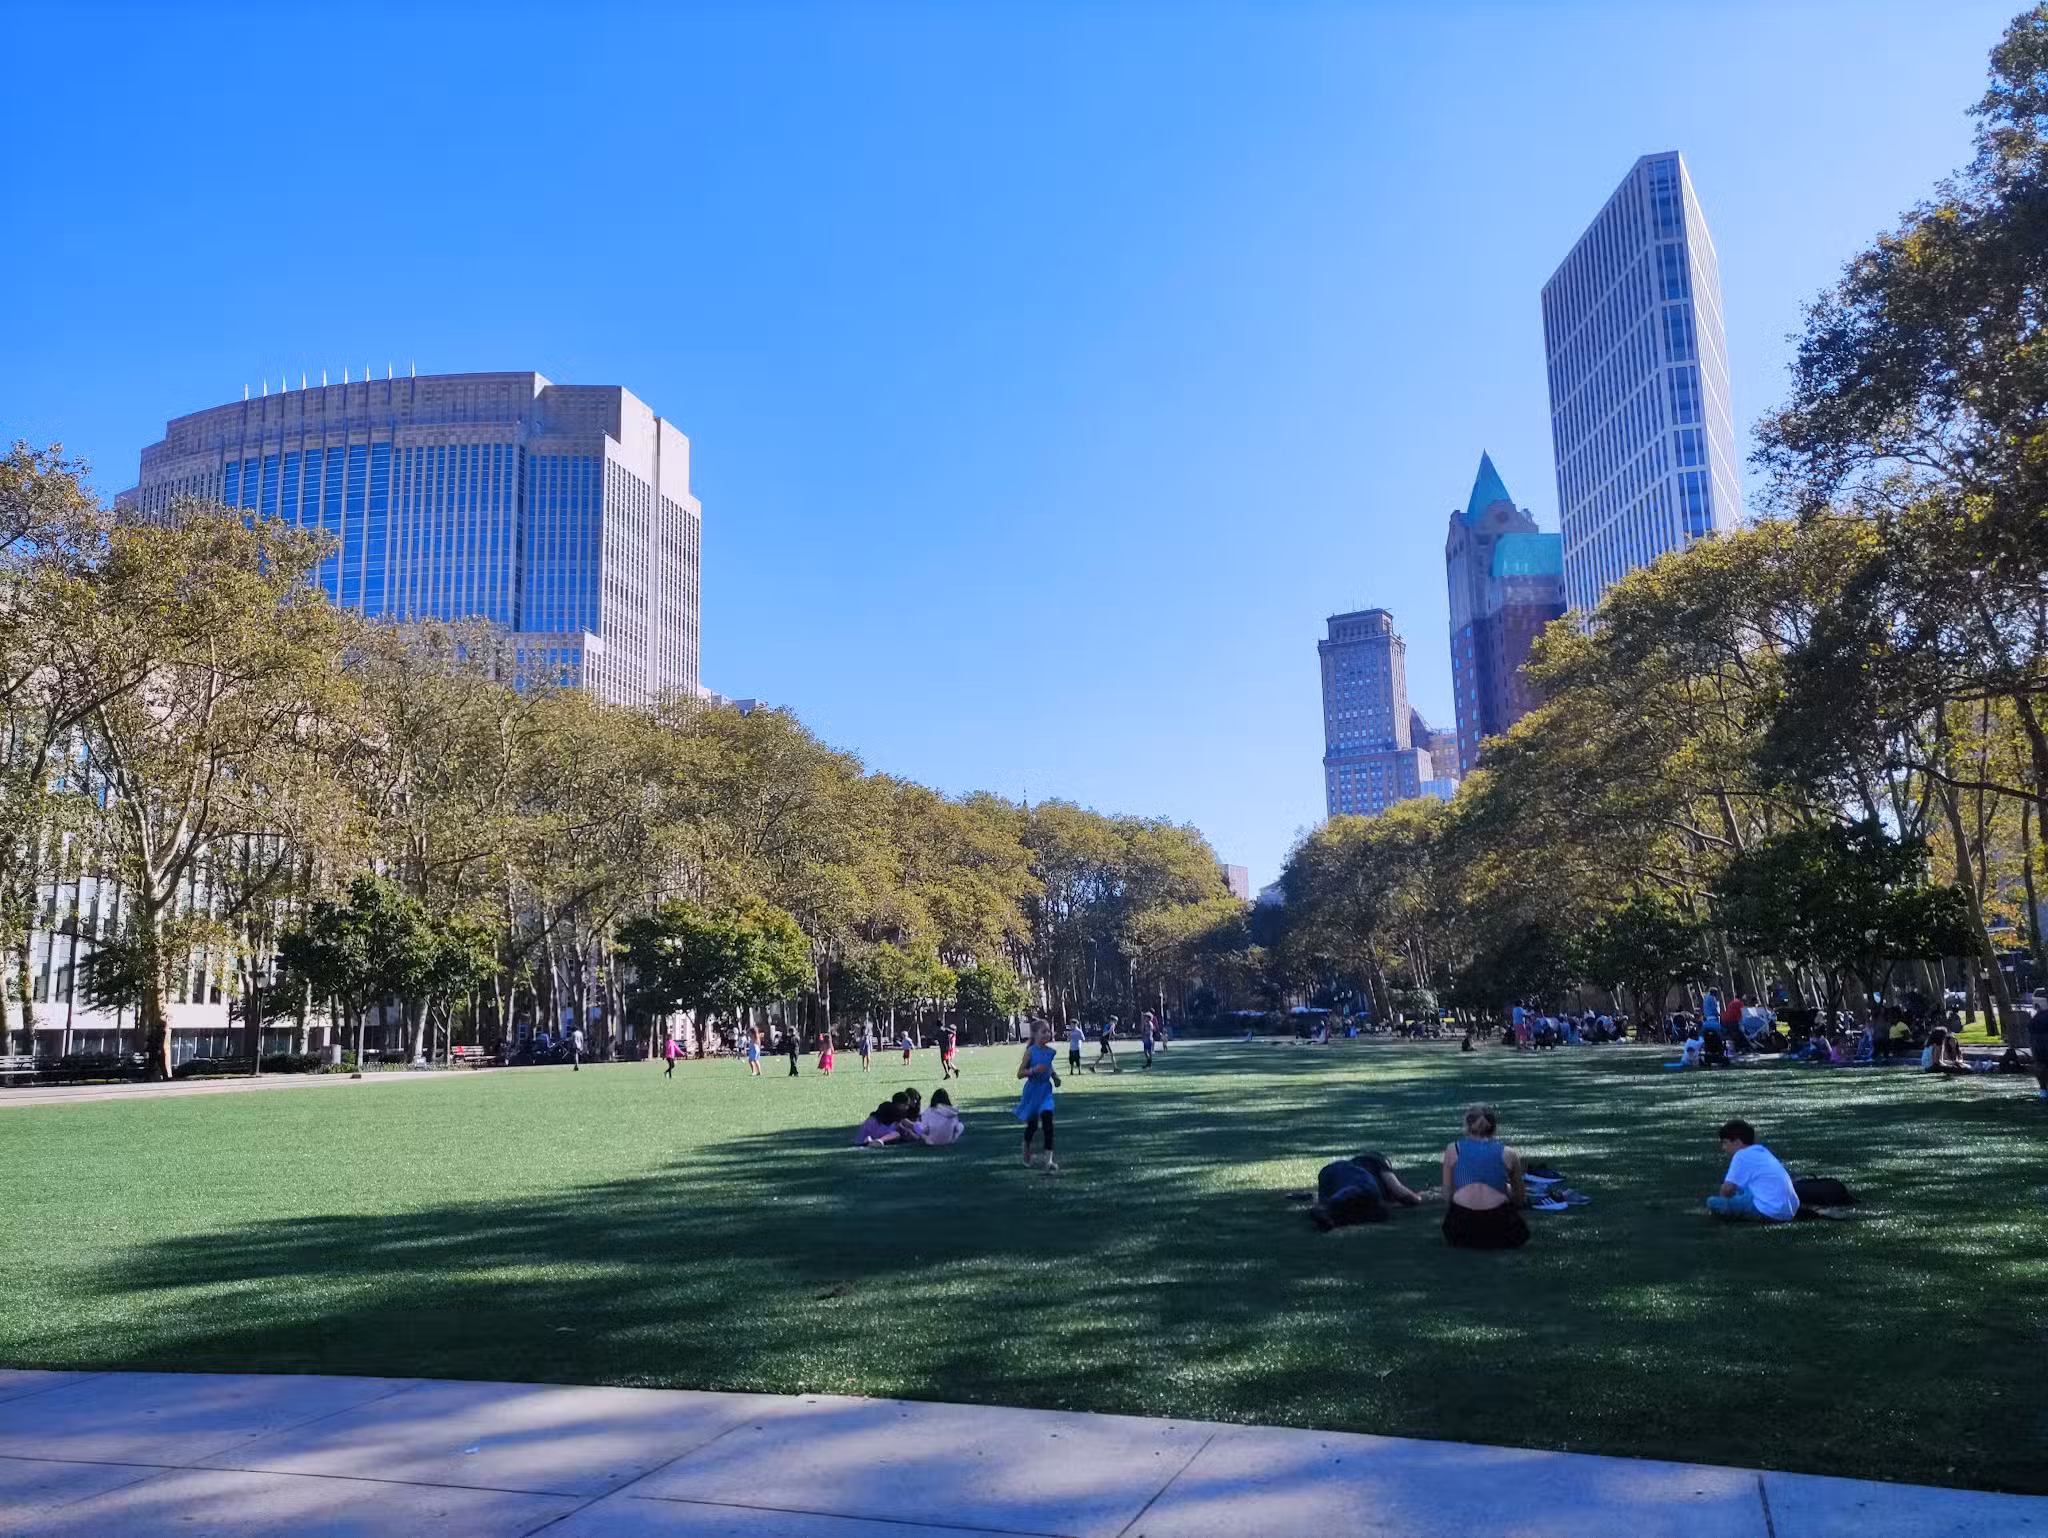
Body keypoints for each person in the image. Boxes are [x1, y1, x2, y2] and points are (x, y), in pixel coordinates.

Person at [1440, 1104, 1529, 1250]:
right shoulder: (1509, 1153)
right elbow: (1520, 1199)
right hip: (1499, 1226)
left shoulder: (1452, 1149)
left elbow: (1447, 1195)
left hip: (1460, 1229)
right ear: (1494, 1127)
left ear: (1467, 1126)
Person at [1706, 1119, 1800, 1222]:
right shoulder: (1762, 1151)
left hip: (1770, 1212)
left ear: (1737, 1142)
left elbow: (1727, 1190)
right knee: (1744, 1190)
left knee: (1712, 1202)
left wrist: (1723, 1204)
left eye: (1725, 1143)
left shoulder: (1741, 1155)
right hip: (1790, 1211)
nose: (1723, 1148)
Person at [1308, 1151, 1426, 1231]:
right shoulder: (1377, 1162)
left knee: (1366, 1206)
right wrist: (1418, 1197)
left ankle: (1331, 1215)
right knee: (1368, 1193)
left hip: (1328, 1172)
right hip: (1359, 1181)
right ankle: (1327, 1210)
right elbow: (1401, 1192)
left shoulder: (1355, 1166)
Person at [1014, 1022, 1060, 1173]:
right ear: (1034, 1034)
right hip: (1032, 1092)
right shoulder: (1030, 1052)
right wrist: (1033, 1070)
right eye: (1043, 1031)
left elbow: (1049, 1066)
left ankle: (1049, 1161)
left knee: (1049, 1125)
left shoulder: (1050, 1052)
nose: (1047, 1034)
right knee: (1032, 1126)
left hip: (1045, 1091)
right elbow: (1020, 1073)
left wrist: (1055, 1076)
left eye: (1048, 1031)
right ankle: (1026, 1145)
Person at [2027, 993, 2048, 1101]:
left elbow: (2030, 1027)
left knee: (2040, 1064)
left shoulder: (2039, 1015)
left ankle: (2043, 1091)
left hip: (2035, 1040)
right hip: (2041, 1038)